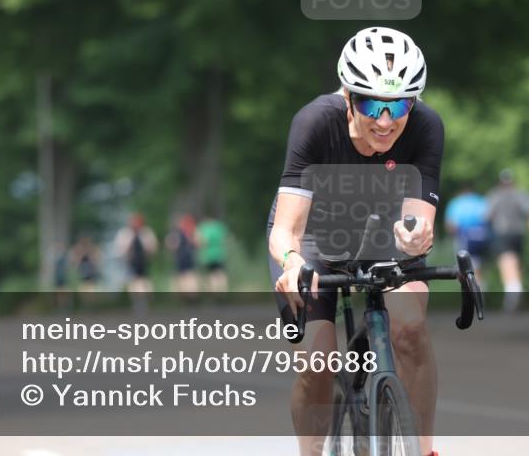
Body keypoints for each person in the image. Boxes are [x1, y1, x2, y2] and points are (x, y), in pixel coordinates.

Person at [268, 27, 442, 456]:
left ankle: (423, 450)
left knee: (412, 324)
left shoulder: (426, 128)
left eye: (399, 104)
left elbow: (418, 225)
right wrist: (291, 263)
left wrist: (415, 236)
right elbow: (285, 230)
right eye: (370, 104)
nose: (385, 121)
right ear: (348, 97)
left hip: (380, 232)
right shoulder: (315, 122)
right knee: (317, 362)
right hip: (312, 236)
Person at [484, 168, 529, 311]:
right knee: (516, 262)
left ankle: (513, 290)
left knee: (506, 262)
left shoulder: (495, 195)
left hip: (502, 232)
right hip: (519, 233)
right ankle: (516, 287)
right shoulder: (521, 194)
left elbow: (487, 215)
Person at [443, 184, 491, 288]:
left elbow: (451, 225)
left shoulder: (456, 203)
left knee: (464, 268)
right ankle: (481, 290)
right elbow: (488, 218)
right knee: (479, 267)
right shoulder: (481, 201)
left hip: (465, 238)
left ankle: (472, 294)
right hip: (483, 237)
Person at [115, 213, 159, 293]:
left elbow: (153, 247)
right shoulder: (125, 233)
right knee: (133, 283)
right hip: (131, 262)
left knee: (144, 282)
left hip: (143, 262)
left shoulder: (146, 232)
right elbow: (121, 249)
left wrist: (148, 251)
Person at [166, 214, 199, 296]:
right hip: (181, 259)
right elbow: (170, 244)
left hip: (187, 259)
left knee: (188, 278)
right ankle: (185, 295)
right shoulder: (177, 233)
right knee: (183, 279)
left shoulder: (191, 232)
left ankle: (189, 295)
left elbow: (198, 243)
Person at [196, 215, 230, 292]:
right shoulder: (219, 226)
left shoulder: (204, 228)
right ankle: (223, 293)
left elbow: (203, 242)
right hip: (220, 254)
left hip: (209, 255)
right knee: (221, 274)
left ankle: (215, 295)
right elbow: (225, 239)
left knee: (212, 275)